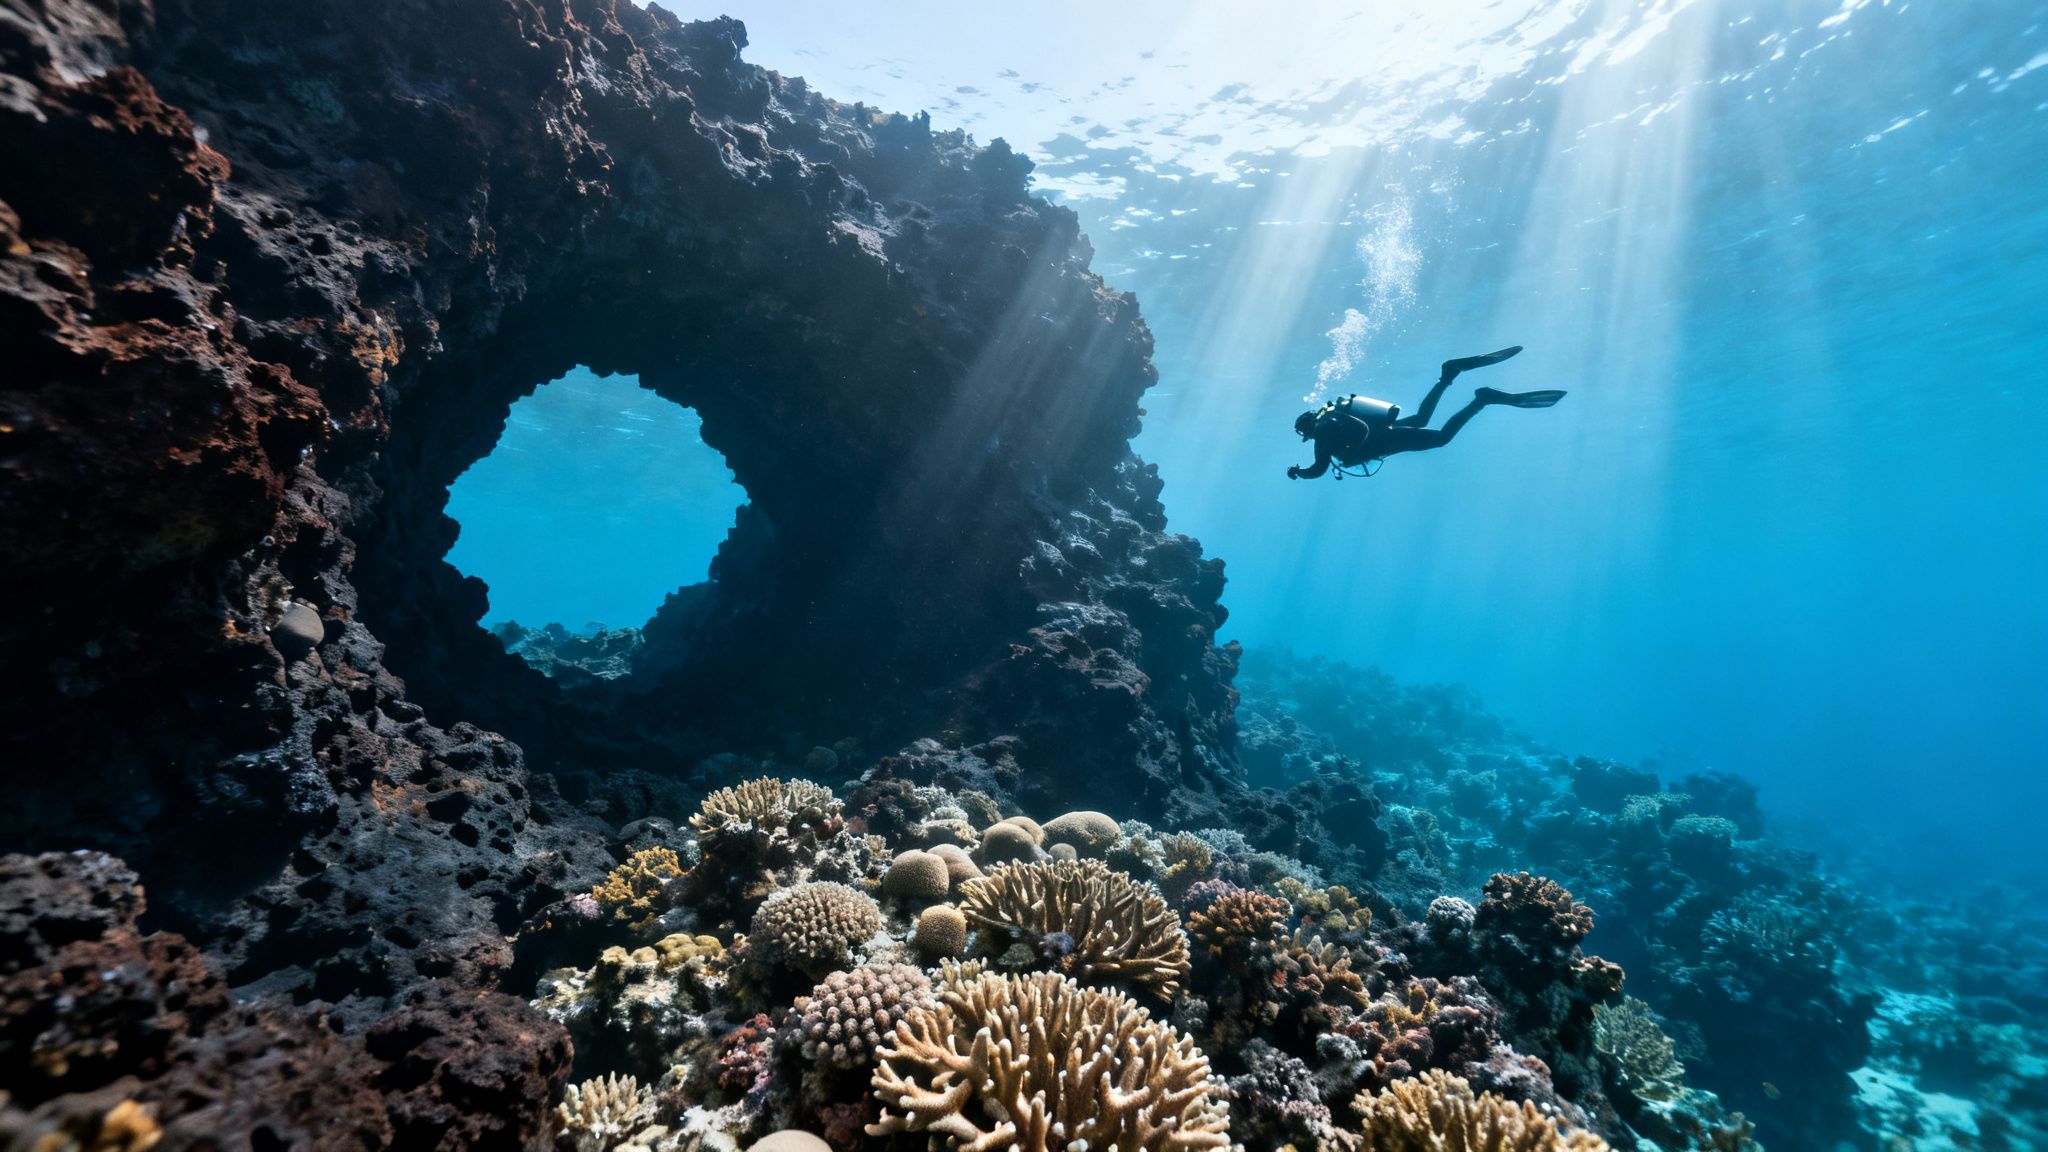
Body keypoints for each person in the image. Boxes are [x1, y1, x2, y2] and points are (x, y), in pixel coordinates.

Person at [1287, 346, 1565, 479]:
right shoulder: (1333, 421)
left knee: (1443, 437)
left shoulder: (1323, 436)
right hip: (1386, 433)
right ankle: (1448, 375)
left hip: (1385, 440)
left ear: (1308, 430)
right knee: (1421, 419)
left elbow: (1319, 469)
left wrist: (1298, 472)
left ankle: (1481, 400)